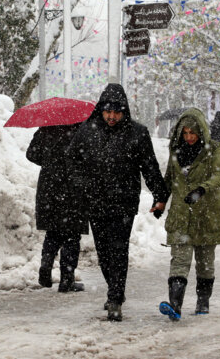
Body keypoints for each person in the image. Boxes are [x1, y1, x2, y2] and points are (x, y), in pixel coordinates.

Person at [66, 83, 169, 322]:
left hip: (124, 202)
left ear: (125, 111)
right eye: (107, 111)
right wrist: (81, 183)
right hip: (96, 200)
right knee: (104, 253)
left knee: (119, 250)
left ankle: (114, 297)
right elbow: (72, 161)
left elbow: (149, 167)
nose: (112, 116)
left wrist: (160, 196)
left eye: (117, 112)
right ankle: (114, 289)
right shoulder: (87, 130)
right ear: (101, 110)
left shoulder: (137, 133)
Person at [157, 108, 220, 321]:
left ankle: (203, 300)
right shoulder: (176, 150)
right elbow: (169, 178)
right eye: (185, 132)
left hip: (206, 214)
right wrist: (160, 202)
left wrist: (202, 189)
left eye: (193, 133)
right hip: (181, 214)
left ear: (201, 132)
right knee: (179, 260)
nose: (188, 137)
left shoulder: (213, 149)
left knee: (205, 263)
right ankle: (175, 305)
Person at [26, 123, 87, 292]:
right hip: (73, 188)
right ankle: (67, 279)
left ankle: (45, 267)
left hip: (49, 186)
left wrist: (49, 161)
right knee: (71, 234)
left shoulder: (46, 128)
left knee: (53, 231)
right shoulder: (82, 131)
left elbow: (31, 154)